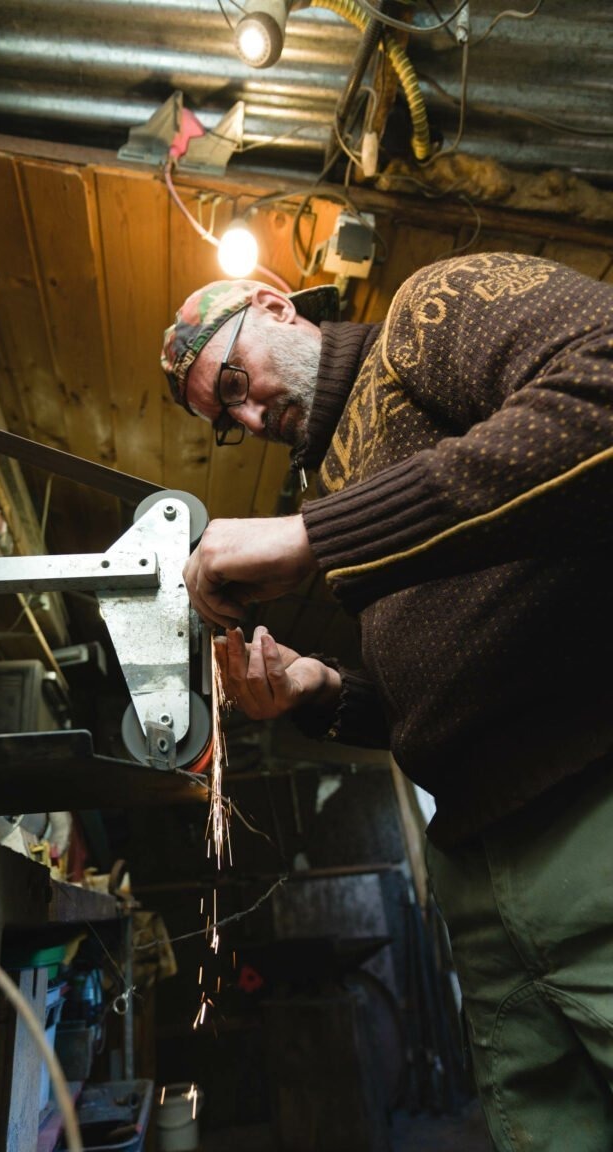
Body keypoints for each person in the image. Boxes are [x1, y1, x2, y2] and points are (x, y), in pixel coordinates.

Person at [160, 251, 613, 1151]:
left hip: (590, 799)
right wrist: (320, 689)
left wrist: (316, 537)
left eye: (237, 381)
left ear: (276, 306)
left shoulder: (424, 312)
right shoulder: (332, 480)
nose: (251, 415)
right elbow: (439, 690)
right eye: (231, 418)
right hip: (478, 863)